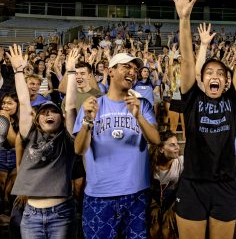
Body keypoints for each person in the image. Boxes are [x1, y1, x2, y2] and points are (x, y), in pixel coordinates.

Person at [171, 0, 236, 238]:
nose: (215, 76)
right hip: (192, 184)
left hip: (225, 185)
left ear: (227, 82)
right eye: (209, 73)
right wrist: (184, 19)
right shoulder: (192, 96)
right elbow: (186, 60)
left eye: (220, 73)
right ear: (201, 79)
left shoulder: (233, 99)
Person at [73, 52, 160, 238]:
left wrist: (137, 116)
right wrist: (88, 121)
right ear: (110, 71)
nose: (133, 72)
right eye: (126, 67)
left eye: (135, 69)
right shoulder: (93, 105)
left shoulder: (142, 105)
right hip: (99, 194)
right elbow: (79, 149)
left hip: (136, 193)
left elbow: (156, 140)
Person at [8, 45, 79, 238]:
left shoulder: (67, 138)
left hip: (62, 213)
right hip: (31, 214)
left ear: (61, 119)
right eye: (44, 112)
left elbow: (71, 105)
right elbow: (24, 102)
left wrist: (71, 71)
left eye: (54, 111)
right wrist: (18, 71)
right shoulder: (30, 134)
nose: (49, 114)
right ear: (37, 119)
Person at [149, 130, 183, 239]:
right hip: (152, 200)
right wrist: (153, 206)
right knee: (154, 229)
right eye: (172, 145)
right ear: (161, 149)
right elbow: (144, 188)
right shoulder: (150, 164)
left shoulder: (181, 162)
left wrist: (173, 208)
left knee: (166, 230)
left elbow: (183, 191)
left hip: (173, 201)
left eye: (177, 144)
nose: (177, 147)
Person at [0, 93, 19, 214]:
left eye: (10, 103)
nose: (5, 106)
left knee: (11, 190)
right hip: (1, 155)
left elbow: (14, 142)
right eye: (3, 103)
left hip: (16, 156)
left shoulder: (23, 120)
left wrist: (6, 120)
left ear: (17, 105)